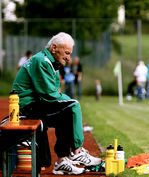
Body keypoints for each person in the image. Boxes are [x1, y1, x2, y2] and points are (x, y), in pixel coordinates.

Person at [11, 32, 101, 175]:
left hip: (34, 103)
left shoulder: (50, 62)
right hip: (26, 106)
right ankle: (77, 151)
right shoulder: (42, 61)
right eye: (66, 53)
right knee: (73, 105)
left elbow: (52, 93)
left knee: (64, 114)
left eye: (70, 54)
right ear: (54, 48)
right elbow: (49, 95)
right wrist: (69, 101)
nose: (68, 58)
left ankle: (62, 161)